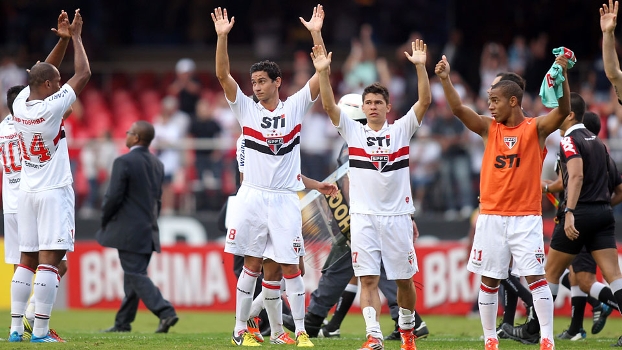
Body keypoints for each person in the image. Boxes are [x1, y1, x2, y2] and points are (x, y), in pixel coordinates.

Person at [435, 49, 571, 350]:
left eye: (494, 101)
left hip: (526, 216)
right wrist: (445, 79)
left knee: (535, 278)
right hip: (491, 216)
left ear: (513, 100)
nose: (490, 107)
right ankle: (490, 339)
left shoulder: (534, 129)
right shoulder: (488, 128)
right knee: (490, 280)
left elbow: (563, 111)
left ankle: (547, 338)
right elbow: (458, 109)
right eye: (488, 102)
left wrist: (562, 79)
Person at [212, 4, 327, 347]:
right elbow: (222, 76)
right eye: (254, 82)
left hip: (284, 199)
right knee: (251, 265)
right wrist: (222, 39)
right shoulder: (245, 108)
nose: (257, 87)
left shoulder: (294, 107)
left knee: (290, 266)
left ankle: (298, 331)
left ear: (278, 82)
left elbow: (321, 73)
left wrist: (316, 34)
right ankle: (240, 329)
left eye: (263, 81)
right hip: (253, 194)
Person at [311, 36, 431, 350]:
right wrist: (323, 72)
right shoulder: (353, 132)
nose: (373, 107)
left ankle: (407, 330)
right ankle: (373, 336)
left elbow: (424, 102)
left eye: (379, 102)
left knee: (404, 281)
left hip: (397, 218)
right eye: (369, 103)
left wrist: (420, 68)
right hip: (363, 218)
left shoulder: (401, 130)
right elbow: (327, 104)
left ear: (388, 107)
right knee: (368, 279)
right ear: (362, 109)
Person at [282, 94, 429, 342]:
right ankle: (405, 320)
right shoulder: (363, 139)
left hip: (358, 219)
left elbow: (352, 183)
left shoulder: (353, 142)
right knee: (372, 271)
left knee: (342, 269)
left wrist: (349, 217)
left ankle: (314, 318)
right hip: (370, 216)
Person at [9, 9, 90, 343]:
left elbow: (40, 72)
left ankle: (15, 330)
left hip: (26, 191)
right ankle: (40, 331)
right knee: (50, 261)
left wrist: (62, 42)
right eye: (56, 82)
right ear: (47, 86)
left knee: (25, 260)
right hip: (53, 190)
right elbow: (84, 73)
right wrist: (78, 38)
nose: (60, 84)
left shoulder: (19, 106)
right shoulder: (51, 107)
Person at [541, 90, 622, 347]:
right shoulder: (601, 146)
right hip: (602, 214)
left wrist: (570, 212)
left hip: (578, 215)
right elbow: (618, 189)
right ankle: (576, 327)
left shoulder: (569, 141)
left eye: (560, 109)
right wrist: (602, 206)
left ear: (571, 114)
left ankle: (538, 329)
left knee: (555, 273)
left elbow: (571, 180)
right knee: (606, 276)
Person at [97, 121, 179, 334]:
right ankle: (123, 323)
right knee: (134, 275)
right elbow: (158, 201)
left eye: (129, 132)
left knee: (135, 274)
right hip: (148, 230)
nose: (126, 135)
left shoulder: (123, 161)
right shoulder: (157, 164)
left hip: (128, 231)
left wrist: (105, 218)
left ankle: (165, 311)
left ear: (135, 137)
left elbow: (113, 196)